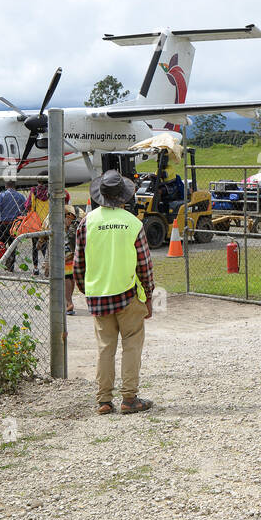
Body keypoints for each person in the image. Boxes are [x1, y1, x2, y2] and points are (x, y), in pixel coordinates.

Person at [73, 170, 154, 416]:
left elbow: (78, 264)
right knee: (131, 344)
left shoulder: (86, 222)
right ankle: (129, 398)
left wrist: (88, 291)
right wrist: (148, 296)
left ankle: (104, 401)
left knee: (105, 347)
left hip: (98, 296)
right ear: (123, 197)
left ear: (100, 195)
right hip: (128, 295)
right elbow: (145, 265)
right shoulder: (133, 223)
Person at [0, 180, 28, 271]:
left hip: (4, 223)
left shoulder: (2, 195)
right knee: (13, 245)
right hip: (15, 224)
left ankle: (0, 264)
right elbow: (26, 208)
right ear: (14, 186)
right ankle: (11, 265)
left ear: (5, 186)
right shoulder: (20, 196)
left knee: (1, 244)